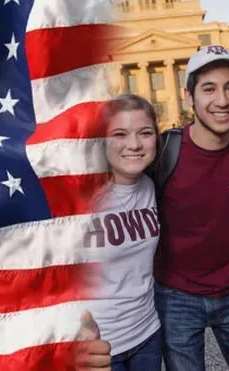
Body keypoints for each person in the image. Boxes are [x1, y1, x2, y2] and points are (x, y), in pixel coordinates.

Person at [152, 45, 229, 371]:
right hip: (175, 297)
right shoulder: (164, 150)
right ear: (189, 95)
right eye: (209, 89)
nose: (221, 100)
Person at [81, 94, 163, 371]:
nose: (134, 144)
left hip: (148, 335)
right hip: (99, 346)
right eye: (120, 134)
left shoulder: (151, 187)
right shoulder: (81, 197)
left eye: (145, 133)